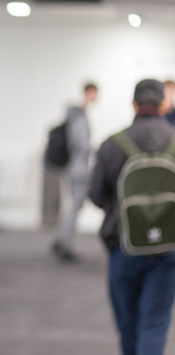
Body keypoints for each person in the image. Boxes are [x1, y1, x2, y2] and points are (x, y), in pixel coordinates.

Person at [89, 79, 175, 355]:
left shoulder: (112, 144)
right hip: (167, 250)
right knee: (154, 325)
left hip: (123, 247)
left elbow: (95, 195)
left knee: (128, 327)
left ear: (133, 104)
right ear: (164, 104)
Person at [51, 82, 98, 262]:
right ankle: (64, 244)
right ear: (88, 92)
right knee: (74, 206)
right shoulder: (79, 116)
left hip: (73, 166)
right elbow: (82, 144)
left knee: (72, 206)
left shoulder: (75, 115)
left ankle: (61, 240)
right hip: (78, 168)